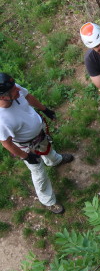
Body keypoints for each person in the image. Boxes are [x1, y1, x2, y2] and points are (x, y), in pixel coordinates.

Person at [0, 73, 74, 214]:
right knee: (39, 173)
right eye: (13, 90)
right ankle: (48, 201)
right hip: (28, 147)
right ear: (2, 97)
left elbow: (28, 97)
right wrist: (26, 156)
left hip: (39, 136)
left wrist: (44, 109)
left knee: (48, 149)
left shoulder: (14, 91)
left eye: (15, 86)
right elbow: (7, 144)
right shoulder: (2, 121)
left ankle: (55, 161)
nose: (18, 89)